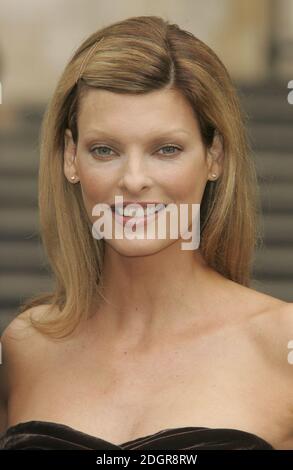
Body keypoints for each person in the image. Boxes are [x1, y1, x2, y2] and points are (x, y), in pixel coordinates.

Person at [0, 15, 292, 451]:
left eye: (166, 149)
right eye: (105, 150)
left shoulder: (281, 344)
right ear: (69, 157)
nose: (134, 179)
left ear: (214, 156)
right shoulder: (23, 349)